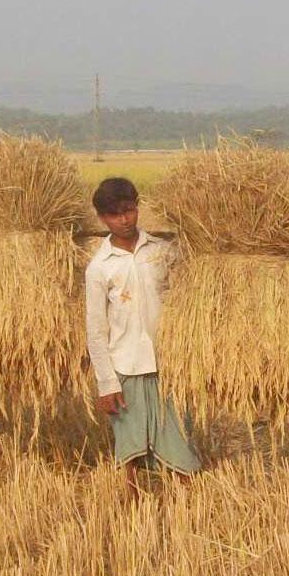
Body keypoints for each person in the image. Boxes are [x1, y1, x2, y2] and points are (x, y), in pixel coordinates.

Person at [83, 177, 201, 491]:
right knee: (130, 441)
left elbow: (190, 298)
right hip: (125, 364)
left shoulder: (163, 252)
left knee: (177, 434)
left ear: (138, 206)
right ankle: (132, 501)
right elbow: (96, 329)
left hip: (168, 361)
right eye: (113, 214)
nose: (123, 220)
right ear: (102, 218)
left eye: (128, 210)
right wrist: (106, 382)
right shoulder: (99, 267)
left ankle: (185, 502)